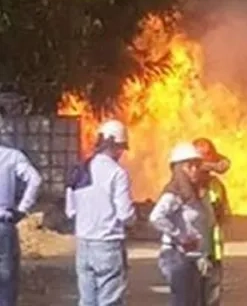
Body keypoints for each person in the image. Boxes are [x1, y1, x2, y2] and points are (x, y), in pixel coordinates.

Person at [66, 119, 135, 306]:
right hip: (108, 243)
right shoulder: (117, 173)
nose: (121, 153)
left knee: (87, 300)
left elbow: (70, 211)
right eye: (121, 148)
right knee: (109, 300)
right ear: (117, 147)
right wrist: (134, 220)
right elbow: (125, 214)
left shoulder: (80, 170)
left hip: (83, 244)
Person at [150, 142, 215, 306]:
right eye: (189, 166)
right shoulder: (174, 193)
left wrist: (203, 254)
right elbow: (156, 217)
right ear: (178, 168)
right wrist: (180, 236)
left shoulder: (197, 192)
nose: (194, 170)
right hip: (177, 257)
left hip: (194, 258)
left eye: (196, 165)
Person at [0, 134, 42, 306]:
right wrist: (22, 209)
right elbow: (35, 180)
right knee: (6, 279)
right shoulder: (11, 156)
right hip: (4, 223)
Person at [192, 138, 230, 306]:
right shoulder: (184, 186)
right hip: (190, 253)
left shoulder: (216, 186)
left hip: (213, 252)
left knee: (212, 297)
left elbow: (225, 214)